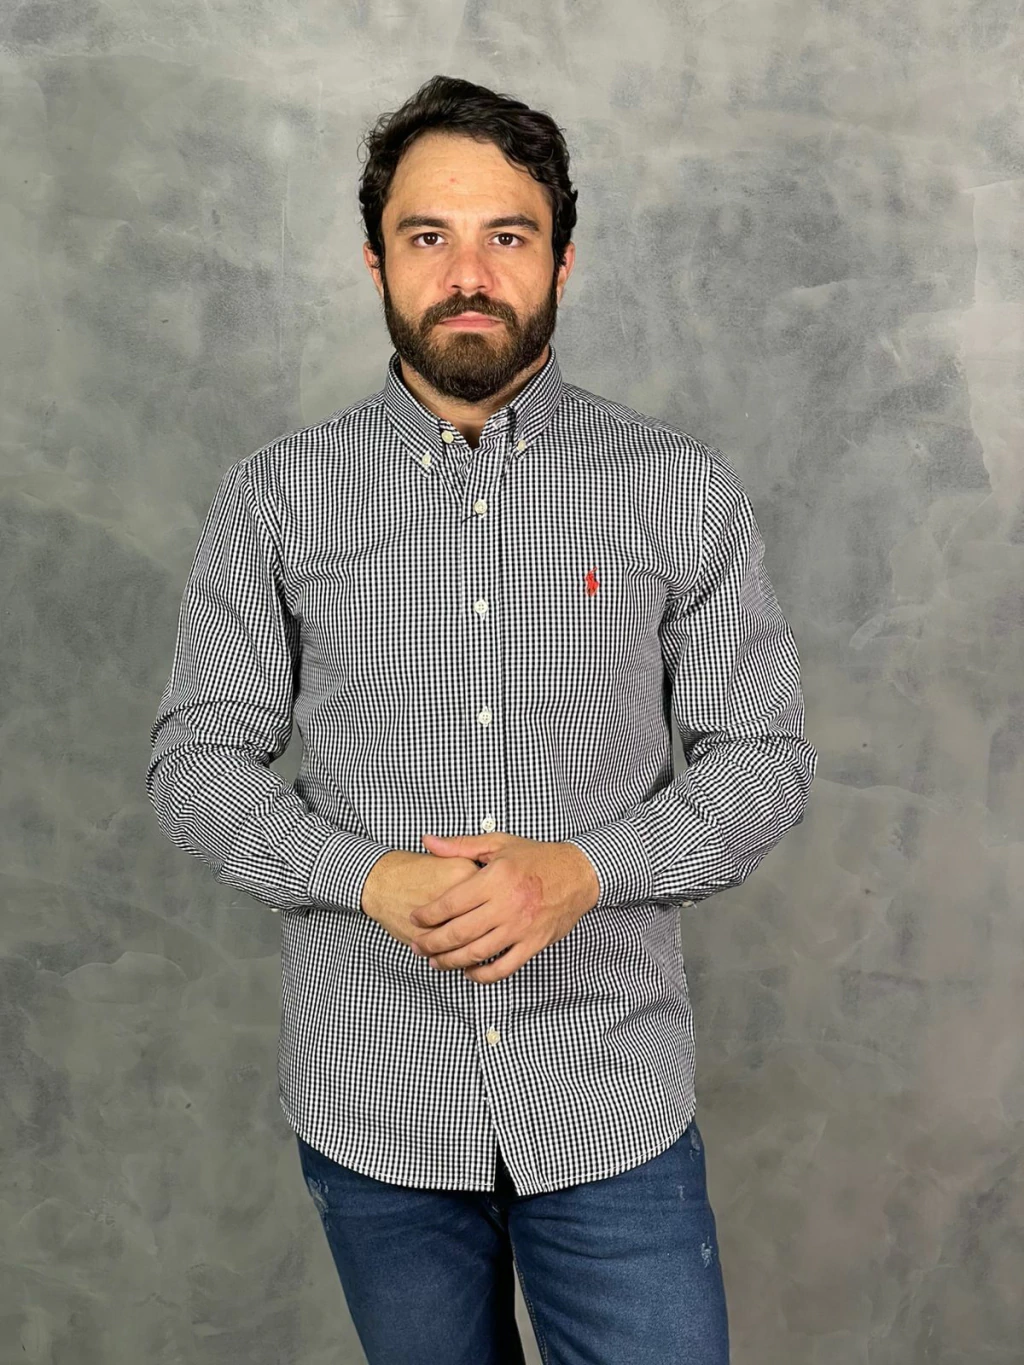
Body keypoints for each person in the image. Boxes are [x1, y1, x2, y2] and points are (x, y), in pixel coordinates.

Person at [147, 72, 817, 1365]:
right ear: (375, 260)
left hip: (607, 1092)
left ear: (562, 257)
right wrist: (369, 878)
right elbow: (196, 764)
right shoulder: (276, 498)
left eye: (507, 235)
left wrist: (586, 871)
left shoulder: (676, 489)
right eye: (428, 236)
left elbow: (765, 760)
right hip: (375, 1096)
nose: (468, 274)